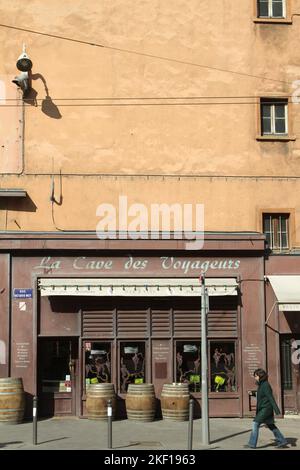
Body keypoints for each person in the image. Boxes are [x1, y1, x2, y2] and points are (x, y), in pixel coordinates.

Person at [244, 369, 288, 449]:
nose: (255, 377)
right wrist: (253, 393)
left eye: (256, 376)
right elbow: (261, 394)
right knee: (271, 425)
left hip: (265, 409)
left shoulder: (266, 385)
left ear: (260, 376)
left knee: (255, 423)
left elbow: (270, 398)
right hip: (263, 408)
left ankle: (252, 444)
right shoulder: (261, 384)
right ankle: (282, 440)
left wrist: (277, 410)